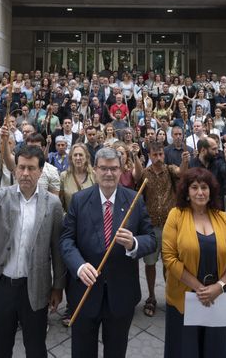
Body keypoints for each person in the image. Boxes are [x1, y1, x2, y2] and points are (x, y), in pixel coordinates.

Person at [0, 146, 65, 358]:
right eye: (21, 168)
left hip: (35, 286)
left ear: (41, 170)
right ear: (15, 169)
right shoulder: (3, 195)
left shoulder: (53, 204)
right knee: (0, 346)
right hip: (2, 285)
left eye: (31, 168)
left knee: (36, 346)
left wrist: (57, 287)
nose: (25, 173)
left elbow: (57, 249)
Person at [60, 146, 156, 358]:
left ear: (122, 170)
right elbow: (66, 240)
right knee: (83, 351)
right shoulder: (79, 200)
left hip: (121, 294)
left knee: (116, 351)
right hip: (84, 292)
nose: (109, 173)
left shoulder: (134, 199)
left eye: (114, 168)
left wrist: (134, 244)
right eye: (103, 168)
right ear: (95, 169)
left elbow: (151, 239)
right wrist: (79, 266)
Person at [161, 167, 226, 358]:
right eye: (195, 187)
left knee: (216, 350)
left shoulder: (222, 218)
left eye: (204, 187)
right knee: (185, 350)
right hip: (185, 299)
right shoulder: (176, 215)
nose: (200, 192)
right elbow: (169, 258)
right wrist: (199, 288)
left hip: (218, 299)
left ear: (211, 191)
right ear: (187, 192)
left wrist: (219, 287)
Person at [134, 141, 187, 318]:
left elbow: (182, 173)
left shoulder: (170, 169)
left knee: (169, 263)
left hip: (169, 225)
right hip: (151, 225)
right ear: (150, 155)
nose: (158, 158)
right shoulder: (145, 174)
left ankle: (170, 295)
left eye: (161, 154)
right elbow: (136, 179)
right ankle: (151, 296)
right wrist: (135, 157)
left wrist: (185, 161)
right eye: (155, 155)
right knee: (150, 263)